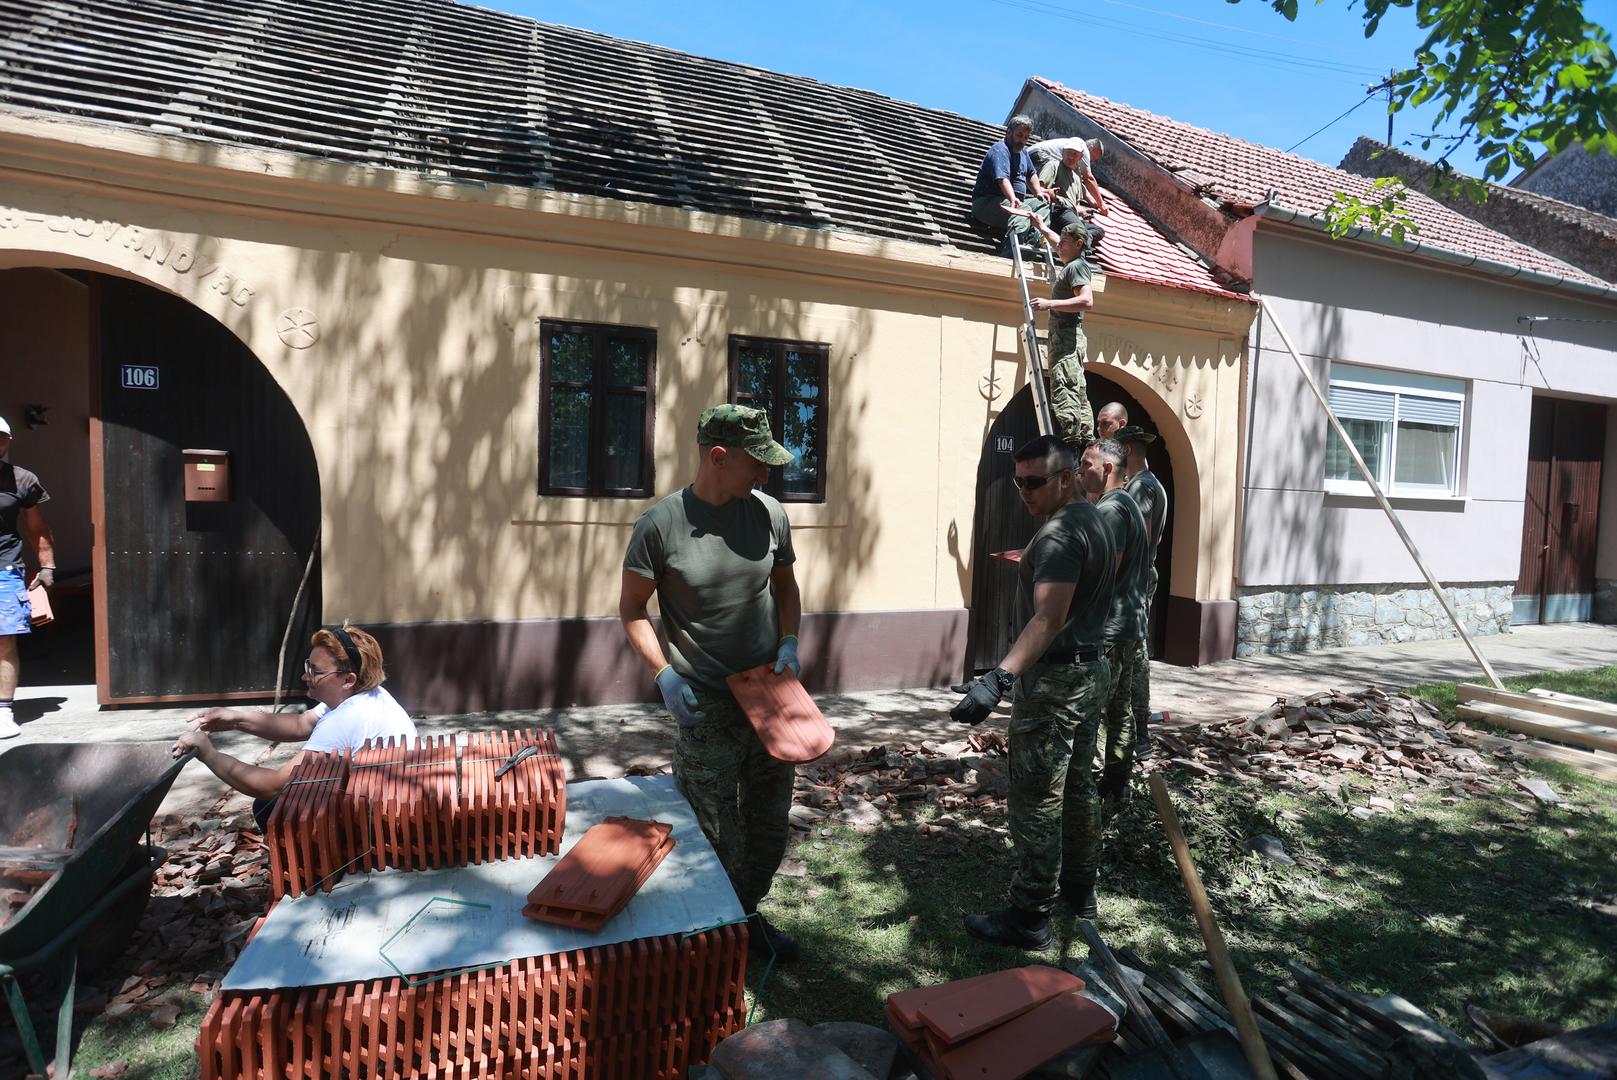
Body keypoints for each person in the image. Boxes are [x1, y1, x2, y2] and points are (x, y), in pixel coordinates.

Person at [620, 404, 804, 961]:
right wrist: (664, 675)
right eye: (757, 463)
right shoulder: (661, 526)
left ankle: (743, 919)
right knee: (712, 835)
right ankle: (709, 939)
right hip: (706, 707)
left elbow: (786, 587)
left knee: (768, 831)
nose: (765, 474)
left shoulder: (769, 514)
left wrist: (789, 642)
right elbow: (632, 609)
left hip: (770, 701)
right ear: (718, 457)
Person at [951, 434, 1115, 947]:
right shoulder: (1093, 519)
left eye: (1034, 482)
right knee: (1079, 787)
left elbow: (1048, 617)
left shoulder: (1062, 533)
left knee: (1037, 797)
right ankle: (1080, 892)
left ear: (1065, 478)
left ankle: (1029, 916)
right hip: (1089, 672)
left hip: (1056, 684)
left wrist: (998, 678)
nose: (1023, 491)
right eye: (1017, 482)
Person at [174, 625, 416, 829]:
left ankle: (323, 867)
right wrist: (233, 718)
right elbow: (301, 723)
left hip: (383, 825)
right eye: (307, 666)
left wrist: (209, 754)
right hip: (393, 804)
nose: (305, 676)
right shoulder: (368, 694)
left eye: (315, 671)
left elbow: (273, 787)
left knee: (270, 807)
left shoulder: (346, 718)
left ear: (348, 679)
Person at [1077, 439, 1149, 807]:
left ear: (1107, 468)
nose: (1079, 471)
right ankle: (1117, 783)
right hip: (1128, 625)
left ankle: (1085, 788)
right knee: (1120, 709)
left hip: (1110, 629)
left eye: (1085, 464)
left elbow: (1106, 570)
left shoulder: (1112, 510)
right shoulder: (1125, 503)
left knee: (1091, 710)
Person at [0, 416, 56, 740]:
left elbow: (37, 527)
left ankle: (3, 712)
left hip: (5, 569)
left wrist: (47, 566)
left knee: (4, 640)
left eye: (1, 437)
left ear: (8, 441)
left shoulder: (22, 479)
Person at [1118, 426, 1170, 757]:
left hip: (1133, 580)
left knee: (1134, 657)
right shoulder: (1152, 484)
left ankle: (1138, 733)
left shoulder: (1140, 487)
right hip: (1140, 576)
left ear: (1126, 451)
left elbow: (1139, 536)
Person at [1031, 223, 1097, 451]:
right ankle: (1085, 441)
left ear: (1079, 244)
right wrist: (1040, 225)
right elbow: (1057, 242)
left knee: (1065, 387)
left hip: (1066, 337)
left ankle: (1072, 447)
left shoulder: (1077, 267)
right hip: (1066, 337)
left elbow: (1087, 300)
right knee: (1076, 389)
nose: (1059, 246)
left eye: (1064, 242)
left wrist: (1049, 303)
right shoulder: (1073, 262)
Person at [970, 115, 1056, 255]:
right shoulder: (1000, 150)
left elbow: (1031, 174)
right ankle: (1011, 251)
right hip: (986, 203)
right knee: (1022, 210)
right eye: (1019, 135)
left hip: (1012, 202)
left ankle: (1034, 239)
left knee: (1042, 204)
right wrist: (1012, 198)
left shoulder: (1023, 152)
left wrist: (1038, 193)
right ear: (1009, 133)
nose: (1022, 140)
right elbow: (1002, 179)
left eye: (1026, 137)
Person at [1029, 137, 1109, 231]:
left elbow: (1080, 184)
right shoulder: (1082, 149)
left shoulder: (1075, 172)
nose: (1091, 162)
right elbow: (1089, 178)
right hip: (1037, 156)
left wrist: (1092, 202)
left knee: (1095, 231)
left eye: (1075, 154)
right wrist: (1101, 205)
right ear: (1090, 148)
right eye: (1093, 158)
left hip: (1033, 154)